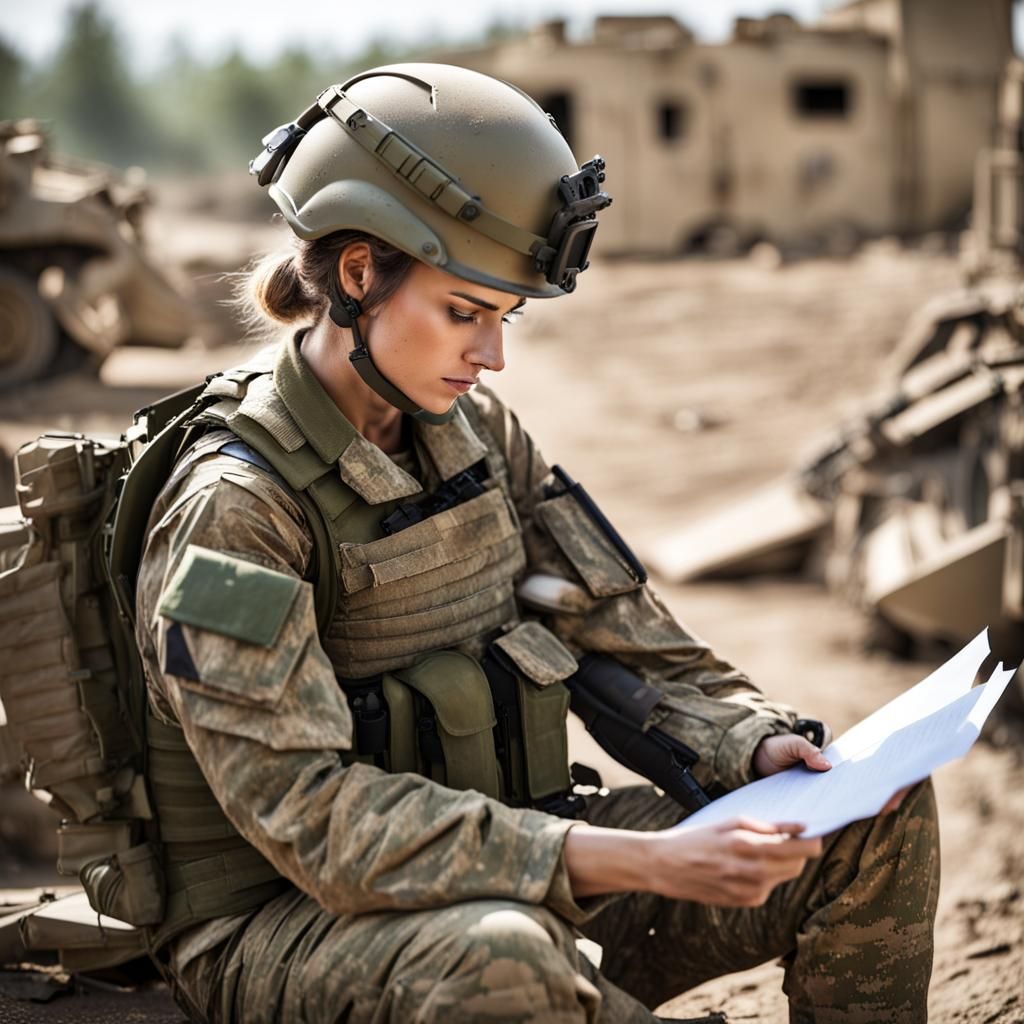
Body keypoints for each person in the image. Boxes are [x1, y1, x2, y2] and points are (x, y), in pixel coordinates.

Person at [135, 63, 939, 1023]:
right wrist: (631, 858)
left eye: (503, 318)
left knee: (867, 818)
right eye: (464, 313)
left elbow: (617, 632)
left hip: (521, 860)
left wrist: (751, 744)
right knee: (504, 963)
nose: (492, 355)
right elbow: (312, 819)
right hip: (292, 925)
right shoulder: (234, 508)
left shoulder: (476, 436)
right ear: (359, 275)